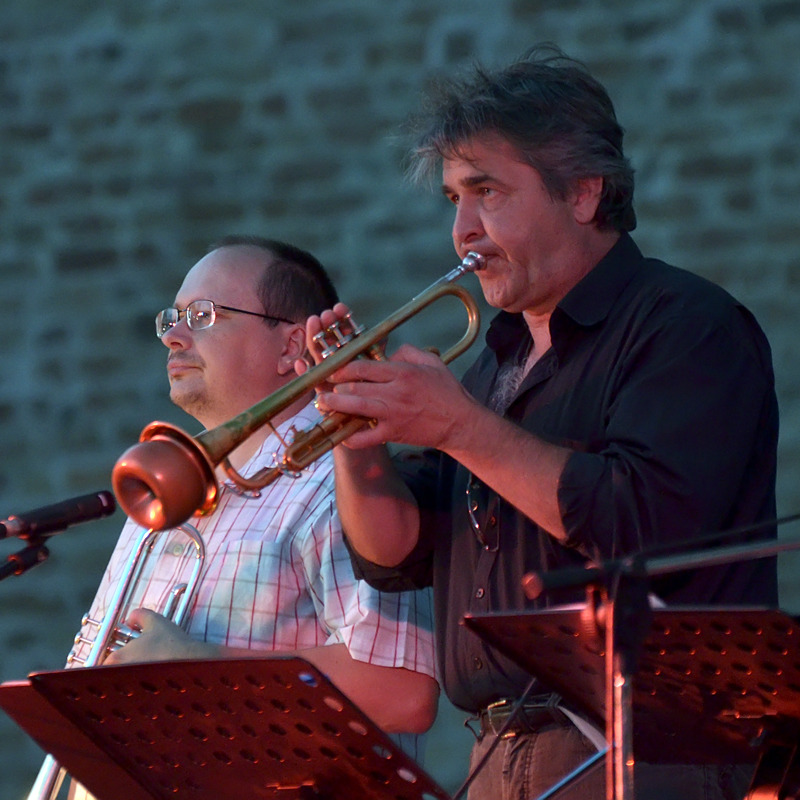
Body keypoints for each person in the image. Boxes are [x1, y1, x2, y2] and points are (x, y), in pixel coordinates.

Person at [302, 45, 778, 799]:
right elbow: (396, 555)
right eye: (454, 199)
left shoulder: (688, 327)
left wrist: (460, 428)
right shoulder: (494, 365)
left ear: (584, 194)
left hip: (645, 754)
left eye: (487, 192)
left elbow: (645, 524)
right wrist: (353, 435)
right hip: (498, 754)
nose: (463, 230)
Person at [63, 236, 438, 798]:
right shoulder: (163, 486)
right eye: (172, 317)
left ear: (291, 346)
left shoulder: (347, 480)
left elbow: (404, 690)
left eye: (203, 315)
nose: (172, 335)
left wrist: (200, 670)